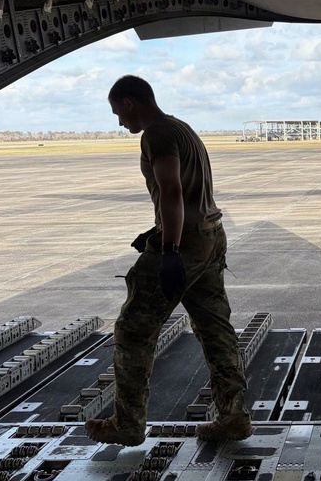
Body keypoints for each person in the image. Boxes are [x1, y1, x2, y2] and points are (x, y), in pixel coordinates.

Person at [85, 75, 251, 446]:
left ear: (130, 102)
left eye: (118, 113)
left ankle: (127, 423)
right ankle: (234, 417)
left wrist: (171, 249)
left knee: (132, 329)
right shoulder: (182, 128)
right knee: (215, 330)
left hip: (186, 244)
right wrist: (159, 231)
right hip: (211, 236)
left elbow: (173, 190)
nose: (119, 123)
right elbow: (188, 194)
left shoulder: (156, 133)